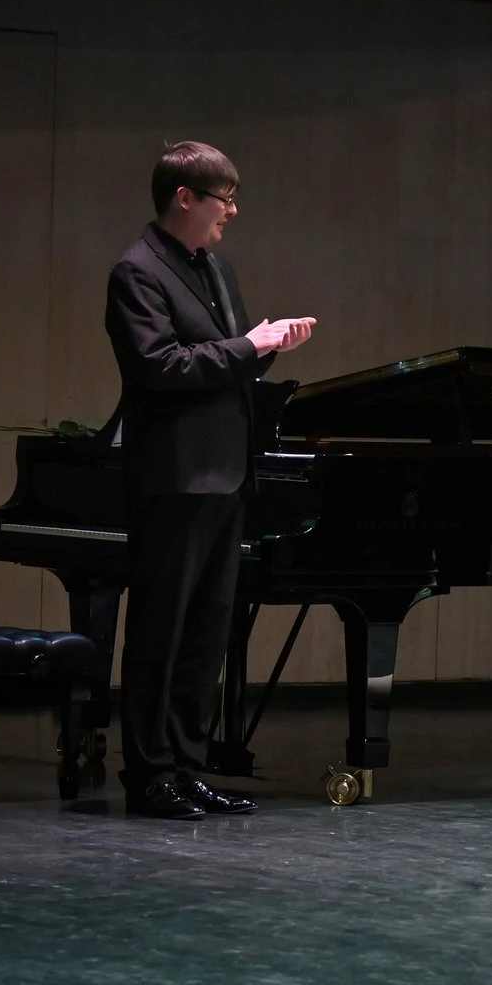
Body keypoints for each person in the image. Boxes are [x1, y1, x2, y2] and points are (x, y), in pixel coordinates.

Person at [105, 140, 315, 819]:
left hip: (226, 475)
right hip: (174, 477)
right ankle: (150, 773)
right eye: (224, 198)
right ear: (184, 198)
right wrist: (248, 345)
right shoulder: (137, 272)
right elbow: (159, 366)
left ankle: (187, 765)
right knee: (161, 631)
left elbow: (226, 358)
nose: (232, 210)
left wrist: (266, 346)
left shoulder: (217, 267)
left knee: (206, 632)